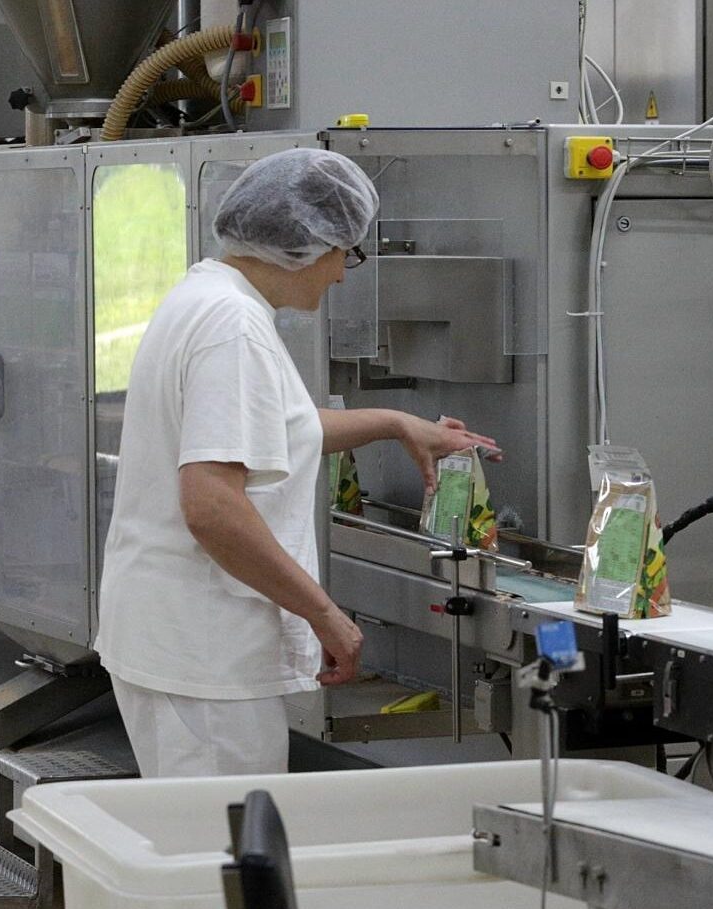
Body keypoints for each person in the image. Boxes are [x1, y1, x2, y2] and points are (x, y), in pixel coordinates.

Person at [94, 149, 500, 777]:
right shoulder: (233, 327)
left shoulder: (206, 296)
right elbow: (212, 507)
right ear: (304, 245)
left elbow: (271, 429)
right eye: (345, 254)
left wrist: (396, 423)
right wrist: (324, 613)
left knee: (206, 828)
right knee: (226, 833)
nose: (340, 276)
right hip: (207, 652)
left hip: (180, 641)